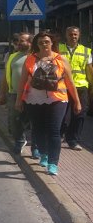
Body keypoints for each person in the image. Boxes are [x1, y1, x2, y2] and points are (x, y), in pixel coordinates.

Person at [16, 31, 81, 176]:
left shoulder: (61, 59)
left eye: (46, 41)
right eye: (40, 42)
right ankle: (44, 153)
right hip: (34, 99)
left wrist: (77, 102)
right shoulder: (30, 59)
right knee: (38, 129)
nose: (44, 44)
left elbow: (70, 82)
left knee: (54, 130)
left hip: (57, 99)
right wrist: (18, 100)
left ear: (52, 43)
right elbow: (22, 82)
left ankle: (53, 163)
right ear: (36, 44)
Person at [0, 32, 37, 158]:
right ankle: (19, 141)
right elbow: (5, 77)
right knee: (15, 120)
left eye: (22, 41)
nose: (19, 43)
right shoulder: (12, 57)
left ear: (30, 42)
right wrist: (2, 94)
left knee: (35, 121)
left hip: (34, 94)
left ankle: (35, 147)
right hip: (14, 94)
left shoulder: (36, 56)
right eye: (19, 41)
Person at [59, 26, 92, 150]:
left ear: (79, 36)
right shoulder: (59, 49)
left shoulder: (86, 51)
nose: (73, 36)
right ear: (66, 35)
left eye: (75, 34)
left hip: (80, 86)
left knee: (79, 114)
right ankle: (59, 135)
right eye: (71, 34)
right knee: (61, 113)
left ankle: (73, 140)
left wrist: (92, 85)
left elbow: (89, 69)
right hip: (62, 86)